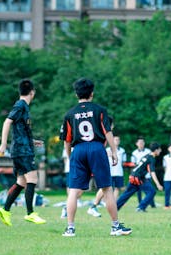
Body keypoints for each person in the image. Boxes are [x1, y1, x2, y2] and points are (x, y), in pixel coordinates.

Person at [59, 78, 131, 237]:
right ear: (92, 93)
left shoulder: (69, 114)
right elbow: (107, 132)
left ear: (76, 93)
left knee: (73, 191)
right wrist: (113, 151)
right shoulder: (100, 110)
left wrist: (71, 156)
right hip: (97, 148)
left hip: (78, 149)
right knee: (107, 189)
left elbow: (67, 140)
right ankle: (115, 226)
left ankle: (70, 228)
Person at [0, 79, 46, 226]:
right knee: (33, 179)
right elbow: (7, 122)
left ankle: (5, 210)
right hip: (22, 151)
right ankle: (30, 213)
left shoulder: (24, 107)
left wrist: (32, 141)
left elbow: (20, 131)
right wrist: (3, 143)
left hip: (22, 148)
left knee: (21, 182)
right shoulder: (20, 105)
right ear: (32, 92)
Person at [116, 142, 163, 212]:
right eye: (159, 149)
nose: (160, 151)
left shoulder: (146, 156)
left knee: (127, 193)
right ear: (156, 150)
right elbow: (152, 172)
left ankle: (115, 207)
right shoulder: (151, 159)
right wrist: (158, 184)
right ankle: (141, 207)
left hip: (133, 176)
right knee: (152, 191)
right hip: (138, 178)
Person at [87, 135, 127, 217]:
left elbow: (123, 162)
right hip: (109, 172)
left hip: (119, 172)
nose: (117, 141)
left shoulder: (122, 150)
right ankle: (94, 205)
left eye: (118, 140)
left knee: (116, 188)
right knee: (105, 188)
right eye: (115, 140)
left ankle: (113, 204)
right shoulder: (106, 150)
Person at [131, 137, 153, 208]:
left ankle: (152, 204)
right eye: (140, 142)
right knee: (139, 190)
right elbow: (133, 164)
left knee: (149, 190)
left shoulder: (148, 151)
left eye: (142, 142)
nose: (141, 144)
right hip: (138, 174)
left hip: (146, 174)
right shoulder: (134, 153)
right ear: (136, 144)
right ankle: (140, 203)